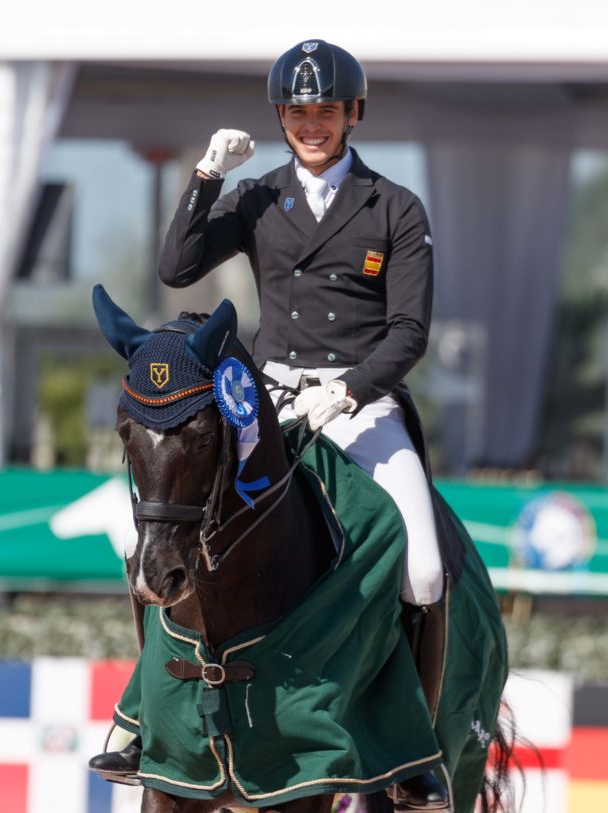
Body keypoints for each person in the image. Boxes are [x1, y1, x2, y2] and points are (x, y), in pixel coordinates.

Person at [91, 40, 450, 809]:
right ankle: (143, 721)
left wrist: (349, 389)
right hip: (264, 400)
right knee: (164, 537)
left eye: (324, 111)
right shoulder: (258, 196)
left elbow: (409, 333)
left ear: (352, 113)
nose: (310, 124)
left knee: (421, 564)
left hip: (361, 403)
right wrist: (206, 176)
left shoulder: (395, 208)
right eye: (296, 111)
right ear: (280, 117)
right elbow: (176, 267)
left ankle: (414, 749)